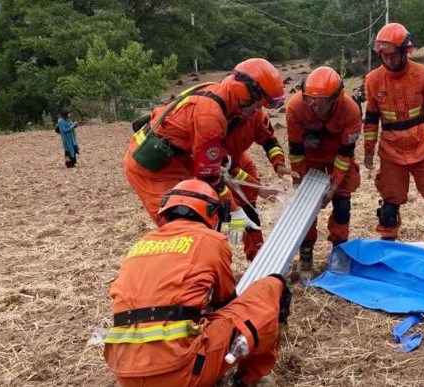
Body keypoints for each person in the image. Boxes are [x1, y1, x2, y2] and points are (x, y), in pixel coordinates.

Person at [103, 179, 291, 387]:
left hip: (125, 373)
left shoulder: (140, 245)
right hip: (180, 372)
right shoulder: (210, 240)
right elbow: (225, 303)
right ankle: (247, 379)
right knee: (273, 287)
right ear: (212, 213)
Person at [122, 58, 286, 232]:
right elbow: (210, 175)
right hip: (154, 167)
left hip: (187, 160)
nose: (257, 111)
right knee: (182, 223)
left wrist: (265, 180)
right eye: (257, 105)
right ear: (244, 95)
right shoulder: (210, 117)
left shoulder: (226, 102)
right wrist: (236, 211)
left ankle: (230, 241)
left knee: (212, 213)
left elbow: (221, 165)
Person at [364, 22, 424, 240]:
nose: (388, 60)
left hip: (423, 145)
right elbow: (371, 119)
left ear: (405, 51)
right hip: (391, 149)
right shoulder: (373, 79)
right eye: (384, 56)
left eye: (392, 55)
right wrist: (368, 150)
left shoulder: (422, 75)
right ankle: (388, 243)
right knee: (389, 208)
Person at [285, 66, 362, 277]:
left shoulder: (350, 110)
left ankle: (340, 250)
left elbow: (346, 153)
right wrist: (298, 181)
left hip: (338, 156)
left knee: (342, 204)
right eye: (309, 99)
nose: (314, 106)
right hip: (311, 157)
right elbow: (296, 150)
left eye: (321, 101)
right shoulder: (295, 107)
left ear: (335, 99)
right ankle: (306, 253)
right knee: (305, 205)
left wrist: (334, 186)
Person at [223, 106, 297, 261]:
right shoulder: (216, 118)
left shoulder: (256, 113)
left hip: (239, 160)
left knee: (249, 208)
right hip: (214, 167)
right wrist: (258, 188)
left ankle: (256, 255)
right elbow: (225, 166)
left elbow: (269, 140)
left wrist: (278, 163)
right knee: (216, 210)